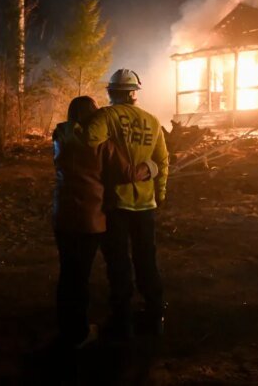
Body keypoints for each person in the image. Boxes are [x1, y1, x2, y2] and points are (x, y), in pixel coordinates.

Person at [53, 96, 156, 348]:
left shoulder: (60, 135)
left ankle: (66, 328)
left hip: (62, 215)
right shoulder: (103, 144)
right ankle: (78, 334)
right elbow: (128, 173)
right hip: (90, 218)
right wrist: (151, 166)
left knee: (68, 274)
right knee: (81, 277)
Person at [86, 69, 169, 337]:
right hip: (145, 204)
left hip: (116, 203)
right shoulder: (152, 121)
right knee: (146, 259)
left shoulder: (106, 116)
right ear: (134, 93)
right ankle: (155, 315)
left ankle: (122, 320)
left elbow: (90, 139)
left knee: (118, 261)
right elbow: (162, 160)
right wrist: (160, 192)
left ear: (111, 92)